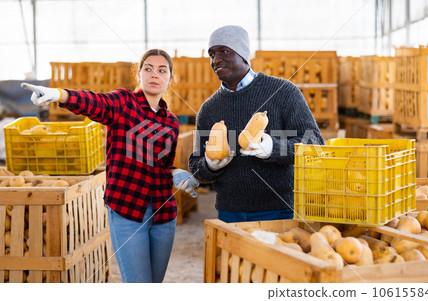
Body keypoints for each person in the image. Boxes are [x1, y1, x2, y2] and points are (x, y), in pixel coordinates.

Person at [22, 49, 199, 283]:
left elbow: (163, 164)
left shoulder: (172, 122)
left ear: (170, 79)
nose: (154, 74)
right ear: (139, 75)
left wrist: (176, 172)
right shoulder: (123, 103)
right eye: (148, 69)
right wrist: (58, 94)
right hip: (127, 211)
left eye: (162, 70)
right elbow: (93, 102)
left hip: (163, 214)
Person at [188, 25, 324, 223]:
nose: (216, 60)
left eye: (224, 51)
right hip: (229, 213)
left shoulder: (283, 92)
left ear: (243, 54)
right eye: (212, 54)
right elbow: (196, 166)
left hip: (279, 210)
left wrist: (274, 148)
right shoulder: (209, 109)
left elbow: (316, 146)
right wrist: (209, 165)